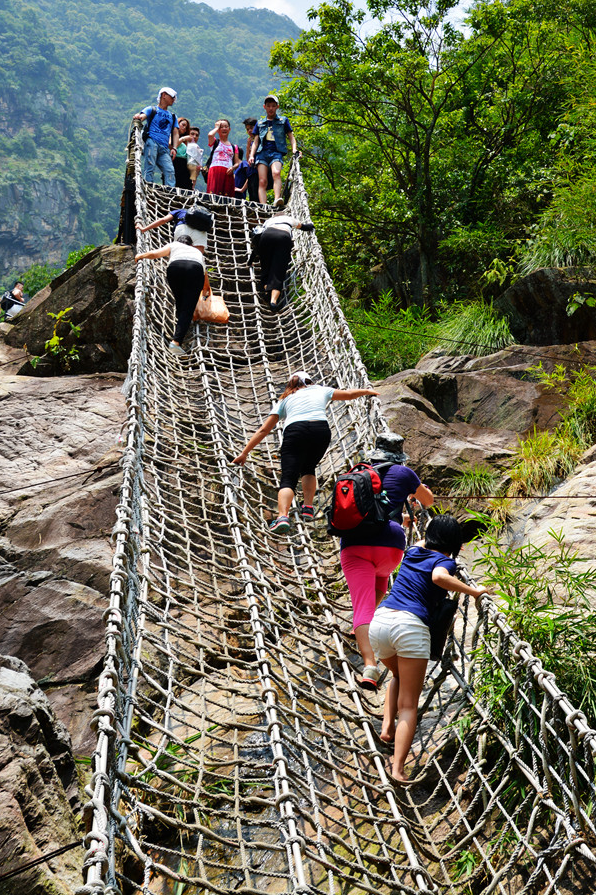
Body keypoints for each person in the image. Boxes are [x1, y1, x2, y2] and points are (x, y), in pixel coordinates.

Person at [369, 514, 494, 783]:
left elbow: (427, 537)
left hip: (380, 622)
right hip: (410, 627)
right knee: (409, 706)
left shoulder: (413, 549)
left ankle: (387, 729)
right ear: (454, 543)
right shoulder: (444, 561)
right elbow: (438, 577)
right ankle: (398, 769)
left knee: (398, 676)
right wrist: (476, 593)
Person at [339, 434, 435, 691]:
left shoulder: (357, 471)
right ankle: (365, 621)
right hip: (390, 547)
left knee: (361, 605)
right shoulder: (405, 473)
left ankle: (370, 665)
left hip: (355, 544)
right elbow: (428, 501)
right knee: (381, 577)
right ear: (399, 455)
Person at [231, 371, 379, 535]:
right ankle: (308, 507)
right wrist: (367, 391)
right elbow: (349, 395)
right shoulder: (320, 389)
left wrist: (245, 453)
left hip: (296, 431)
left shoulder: (285, 398)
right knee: (309, 467)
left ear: (291, 384)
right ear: (309, 381)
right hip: (320, 430)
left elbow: (264, 429)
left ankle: (282, 517)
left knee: (289, 477)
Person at [134, 233, 211, 354]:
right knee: (188, 307)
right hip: (195, 269)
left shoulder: (174, 245)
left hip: (175, 268)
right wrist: (206, 289)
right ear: (191, 244)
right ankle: (176, 342)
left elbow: (155, 254)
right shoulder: (196, 252)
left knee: (180, 300)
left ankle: (179, 326)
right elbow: (204, 272)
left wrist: (141, 255)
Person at [253, 202, 314, 311]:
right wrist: (311, 226)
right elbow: (303, 227)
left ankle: (266, 290)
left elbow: (258, 235)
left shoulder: (268, 221)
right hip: (283, 237)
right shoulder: (289, 219)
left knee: (266, 266)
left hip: (266, 236)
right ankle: (273, 301)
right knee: (278, 270)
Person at [248, 95, 297, 205]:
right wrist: (252, 155)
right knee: (262, 180)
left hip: (276, 152)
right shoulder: (260, 123)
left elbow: (291, 136)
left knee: (276, 173)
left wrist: (294, 149)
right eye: (268, 106)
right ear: (264, 107)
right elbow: (256, 141)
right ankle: (263, 205)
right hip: (262, 154)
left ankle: (277, 199)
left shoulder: (283, 121)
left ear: (277, 107)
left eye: (273, 106)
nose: (271, 108)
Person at [133, 86, 180, 188]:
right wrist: (138, 117)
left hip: (164, 148)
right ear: (163, 95)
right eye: (172, 97)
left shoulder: (172, 116)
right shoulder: (152, 109)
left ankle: (170, 193)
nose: (173, 100)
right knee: (150, 166)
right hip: (152, 142)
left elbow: (176, 133)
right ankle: (147, 189)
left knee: (170, 170)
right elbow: (142, 116)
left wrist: (175, 148)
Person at [137, 208, 209, 256]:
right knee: (197, 256)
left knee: (178, 252)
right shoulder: (204, 218)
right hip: (200, 233)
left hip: (182, 229)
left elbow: (163, 220)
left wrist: (144, 229)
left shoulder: (180, 211)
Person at [205, 119, 239, 197]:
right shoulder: (215, 142)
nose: (224, 129)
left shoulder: (234, 147)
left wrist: (233, 167)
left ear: (229, 129)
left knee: (226, 195)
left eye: (226, 127)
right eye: (221, 127)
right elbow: (210, 135)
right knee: (213, 193)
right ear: (218, 130)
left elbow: (237, 162)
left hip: (228, 172)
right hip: (215, 170)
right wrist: (216, 127)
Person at [173, 115, 193, 191]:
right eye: (183, 125)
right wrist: (183, 139)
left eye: (186, 127)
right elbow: (172, 146)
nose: (184, 128)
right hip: (175, 164)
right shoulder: (172, 135)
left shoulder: (184, 142)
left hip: (184, 167)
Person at [242, 117, 260, 201]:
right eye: (247, 129)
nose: (249, 131)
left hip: (258, 168)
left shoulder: (260, 139)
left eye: (251, 128)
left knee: (257, 190)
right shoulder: (250, 140)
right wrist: (248, 146)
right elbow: (247, 158)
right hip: (251, 170)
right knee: (252, 190)